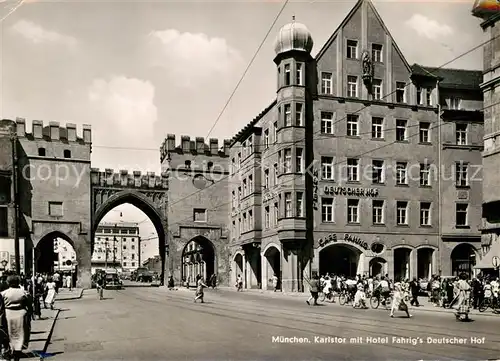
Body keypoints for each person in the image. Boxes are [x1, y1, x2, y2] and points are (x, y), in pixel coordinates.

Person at [1, 275, 32, 361]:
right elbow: (29, 304)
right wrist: (30, 313)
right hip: (21, 314)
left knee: (8, 333)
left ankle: (8, 351)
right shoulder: (24, 292)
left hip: (8, 314)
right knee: (21, 333)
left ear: (8, 282)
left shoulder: (4, 293)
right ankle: (17, 352)